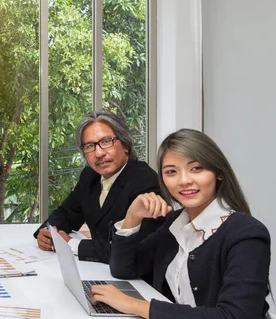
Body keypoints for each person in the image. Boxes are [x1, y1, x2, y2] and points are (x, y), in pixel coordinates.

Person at [90, 129, 271, 318]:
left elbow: (235, 315)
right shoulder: (174, 223)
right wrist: (132, 216)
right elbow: (123, 269)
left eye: (196, 168)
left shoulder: (247, 234)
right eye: (171, 172)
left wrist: (137, 306)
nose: (184, 181)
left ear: (218, 173)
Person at [34, 110, 160, 263]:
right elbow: (67, 213)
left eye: (106, 141)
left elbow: (137, 249)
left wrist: (71, 244)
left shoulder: (145, 181)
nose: (99, 153)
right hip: (100, 270)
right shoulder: (90, 175)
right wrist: (48, 232)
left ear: (125, 145)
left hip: (139, 280)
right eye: (89, 146)